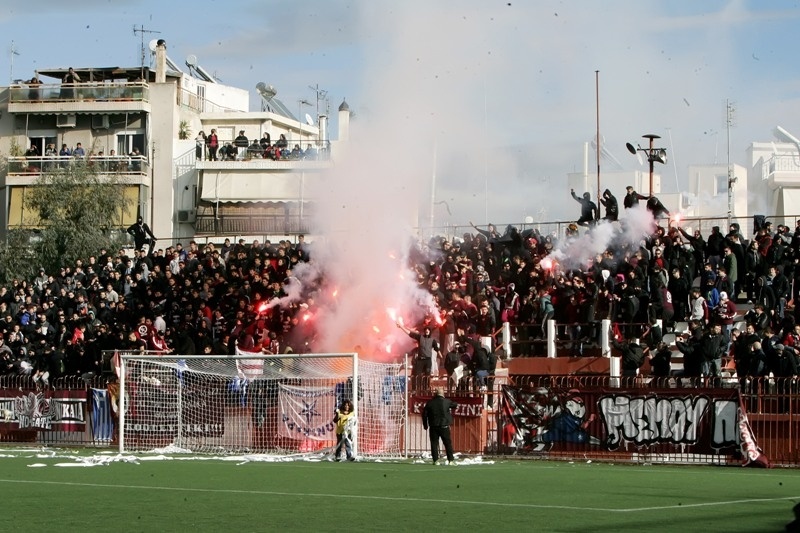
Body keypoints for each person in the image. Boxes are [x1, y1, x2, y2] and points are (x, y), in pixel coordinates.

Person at [422, 387, 458, 465]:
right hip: (444, 425)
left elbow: (424, 414)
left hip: (433, 426)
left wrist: (425, 425)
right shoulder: (447, 402)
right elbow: (455, 405)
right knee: (447, 443)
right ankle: (450, 460)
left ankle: (435, 460)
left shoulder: (430, 403)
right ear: (443, 394)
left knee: (434, 443)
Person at [397, 322, 439, 388]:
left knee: (427, 376)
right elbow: (410, 334)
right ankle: (416, 389)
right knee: (417, 375)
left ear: (430, 331)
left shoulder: (433, 340)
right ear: (424, 331)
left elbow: (437, 349)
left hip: (428, 360)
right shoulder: (420, 337)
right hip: (420, 360)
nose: (427, 331)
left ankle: (426, 389)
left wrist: (441, 355)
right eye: (426, 330)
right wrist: (401, 327)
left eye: (428, 330)